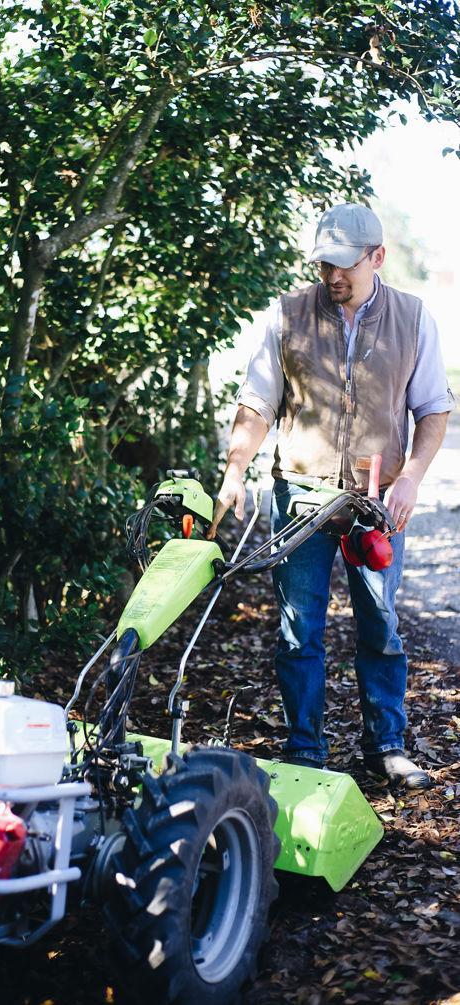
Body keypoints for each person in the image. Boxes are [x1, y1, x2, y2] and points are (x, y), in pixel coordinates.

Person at [208, 203, 454, 789]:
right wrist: (236, 469)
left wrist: (414, 476)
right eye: (324, 264)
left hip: (377, 500)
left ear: (378, 258)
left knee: (381, 623)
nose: (332, 276)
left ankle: (385, 746)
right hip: (300, 495)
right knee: (299, 627)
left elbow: (434, 409)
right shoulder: (288, 314)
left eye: (344, 265)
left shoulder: (414, 319)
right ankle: (305, 749)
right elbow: (258, 401)